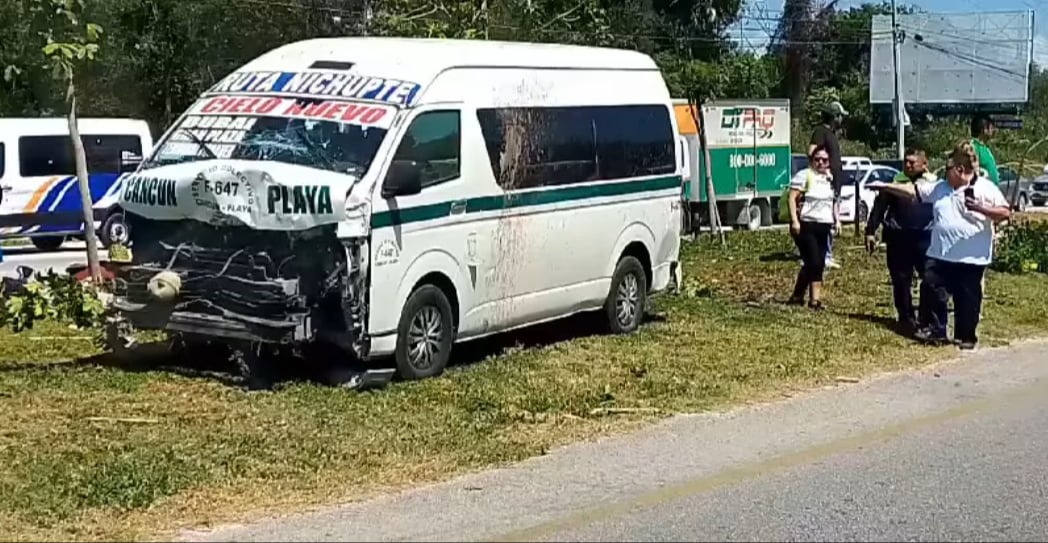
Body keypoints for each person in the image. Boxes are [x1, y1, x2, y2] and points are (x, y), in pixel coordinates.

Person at [868, 141, 1011, 350]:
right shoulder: (940, 188)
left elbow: (1005, 213)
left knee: (967, 299)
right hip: (941, 254)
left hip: (971, 257)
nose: (944, 173)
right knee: (932, 290)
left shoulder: (984, 188)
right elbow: (912, 191)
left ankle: (966, 336)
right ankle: (936, 330)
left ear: (960, 170)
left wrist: (981, 208)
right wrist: (885, 186)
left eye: (948, 169)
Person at [864, 148, 937, 334]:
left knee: (929, 278)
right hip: (899, 237)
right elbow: (879, 207)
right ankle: (905, 317)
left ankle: (926, 317)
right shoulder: (895, 183)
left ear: (924, 163)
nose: (908, 165)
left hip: (925, 237)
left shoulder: (935, 184)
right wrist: (871, 231)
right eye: (906, 161)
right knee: (901, 280)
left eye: (913, 162)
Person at [787, 145, 840, 310]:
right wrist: (795, 221)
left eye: (824, 160)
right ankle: (814, 301)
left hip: (824, 225)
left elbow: (833, 201)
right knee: (814, 262)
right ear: (811, 160)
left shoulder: (830, 178)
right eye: (817, 159)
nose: (821, 163)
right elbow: (791, 198)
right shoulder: (805, 175)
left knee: (815, 263)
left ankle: (798, 295)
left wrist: (837, 220)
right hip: (806, 224)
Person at [809, 101, 847, 270]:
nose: (841, 119)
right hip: (826, 183)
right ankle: (823, 255)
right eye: (839, 116)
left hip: (835, 183)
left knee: (832, 219)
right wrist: (822, 171)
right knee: (825, 219)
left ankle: (827, 254)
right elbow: (811, 152)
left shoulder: (831, 133)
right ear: (834, 116)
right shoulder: (820, 132)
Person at [970, 114, 999, 185]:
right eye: (991, 128)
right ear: (984, 129)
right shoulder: (974, 146)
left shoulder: (984, 147)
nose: (993, 131)